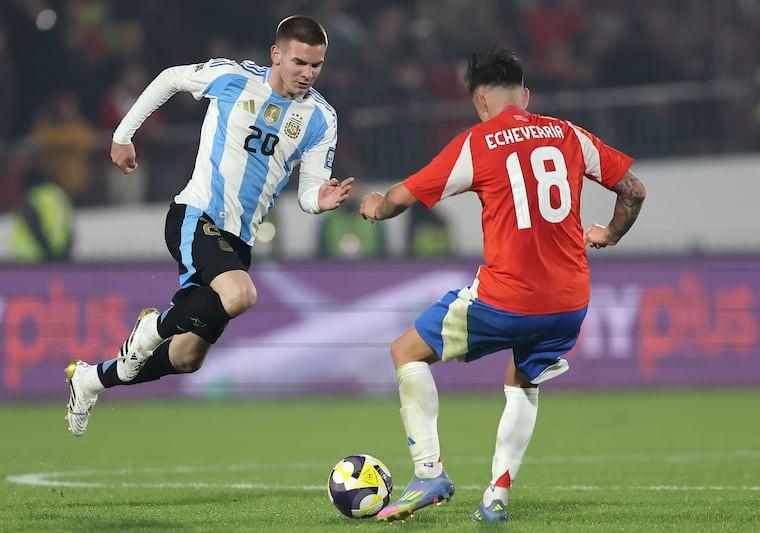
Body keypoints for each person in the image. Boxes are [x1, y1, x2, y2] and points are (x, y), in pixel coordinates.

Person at [359, 46, 646, 523]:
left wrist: (375, 205)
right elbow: (633, 189)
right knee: (523, 380)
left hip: (507, 297)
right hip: (570, 302)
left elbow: (401, 197)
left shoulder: (478, 142)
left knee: (406, 352)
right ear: (525, 96)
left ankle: (429, 473)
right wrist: (609, 234)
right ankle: (496, 495)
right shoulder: (569, 134)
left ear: (480, 100)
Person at [65, 15, 354, 436]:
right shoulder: (233, 78)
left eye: (316, 65)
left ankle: (90, 379)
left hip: (238, 242)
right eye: (299, 62)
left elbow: (309, 190)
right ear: (276, 54)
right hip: (195, 215)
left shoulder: (321, 118)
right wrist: (123, 135)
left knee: (186, 358)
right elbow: (170, 78)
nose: (307, 73)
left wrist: (319, 200)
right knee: (241, 295)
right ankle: (151, 329)